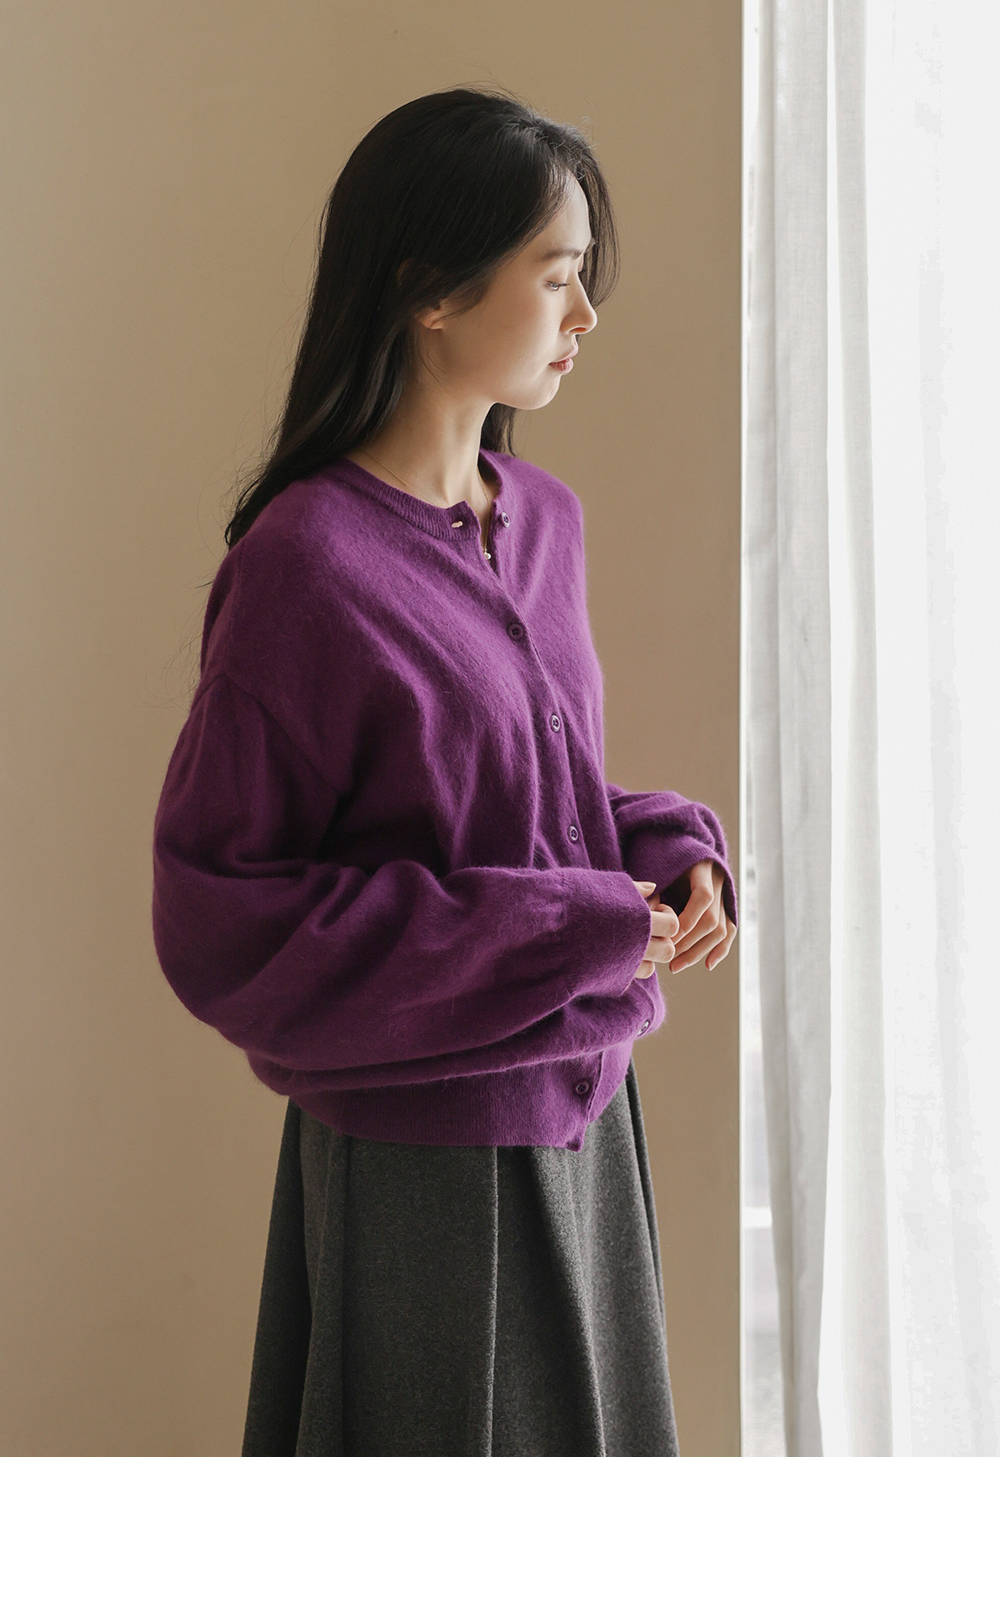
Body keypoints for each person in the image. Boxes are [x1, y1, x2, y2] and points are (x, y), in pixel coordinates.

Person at [151, 84, 738, 1456]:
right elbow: (225, 916)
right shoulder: (304, 568)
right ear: (429, 288)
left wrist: (661, 852)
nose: (586, 313)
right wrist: (573, 925)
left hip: (593, 1118)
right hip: (427, 1158)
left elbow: (524, 802)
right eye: (557, 273)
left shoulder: (544, 519)